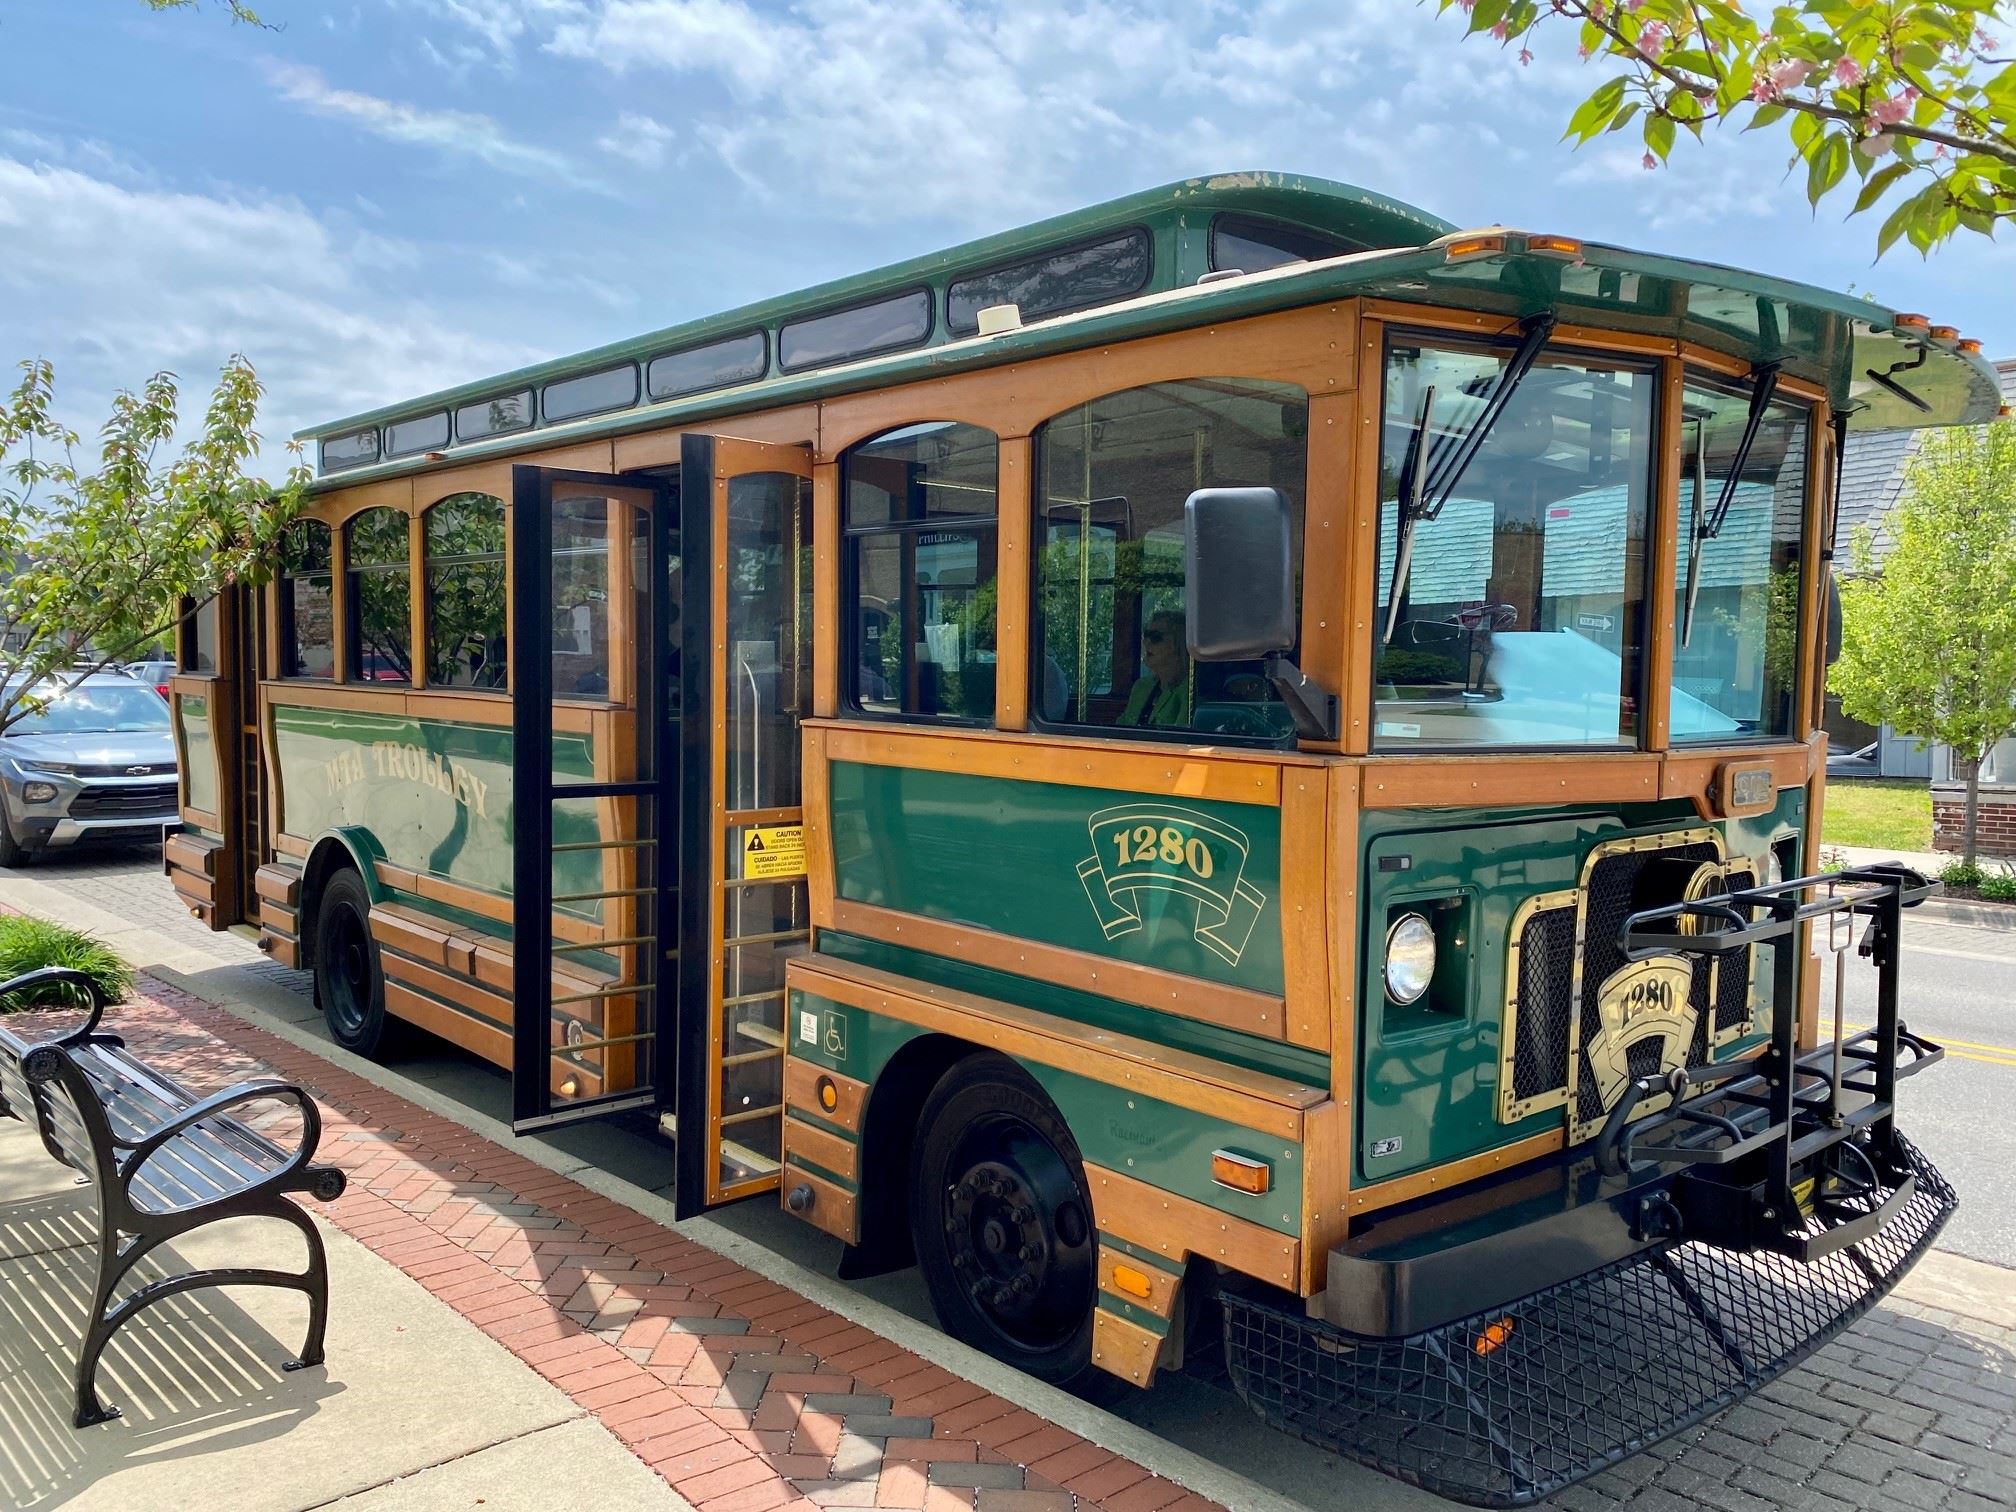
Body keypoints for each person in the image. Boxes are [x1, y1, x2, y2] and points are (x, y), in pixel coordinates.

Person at [1119, 608, 1192, 728]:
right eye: (1146, 635)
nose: (1146, 642)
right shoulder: (1141, 687)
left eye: (1155, 637)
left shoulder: (1189, 692)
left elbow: (1180, 740)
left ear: (1178, 643)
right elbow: (1120, 729)